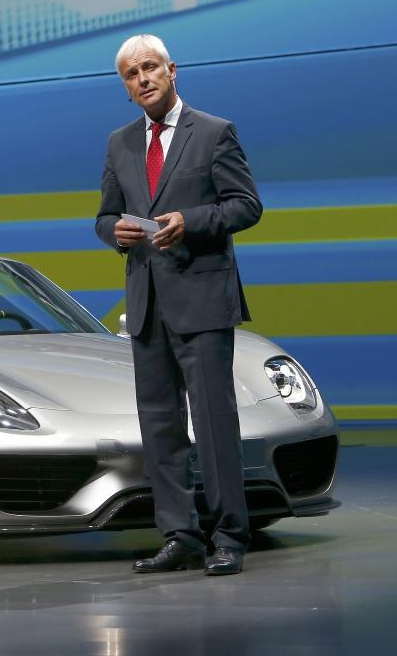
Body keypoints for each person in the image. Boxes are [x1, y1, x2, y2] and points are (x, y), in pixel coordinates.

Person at [95, 34, 262, 575]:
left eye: (149, 69)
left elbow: (245, 206)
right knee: (160, 427)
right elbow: (104, 216)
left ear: (171, 71)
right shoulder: (120, 143)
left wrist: (189, 221)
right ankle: (180, 535)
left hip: (203, 299)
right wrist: (113, 232)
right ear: (125, 88)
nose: (142, 79)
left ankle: (230, 537)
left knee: (214, 425)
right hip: (147, 303)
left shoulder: (214, 133)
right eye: (130, 74)